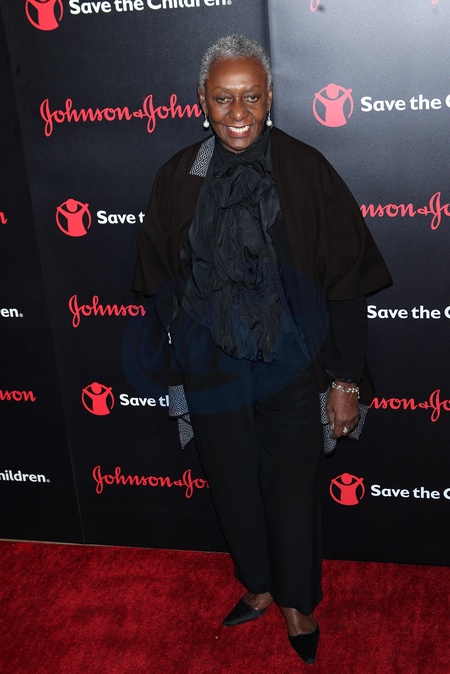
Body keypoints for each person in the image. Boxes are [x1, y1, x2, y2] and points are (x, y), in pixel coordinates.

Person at [133, 35, 391, 665]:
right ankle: (258, 583)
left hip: (291, 363)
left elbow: (346, 282)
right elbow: (159, 273)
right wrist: (184, 345)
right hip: (212, 368)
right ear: (202, 101)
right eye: (224, 99)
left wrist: (345, 379)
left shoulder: (305, 170)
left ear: (270, 96)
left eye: (251, 97)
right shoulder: (178, 176)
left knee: (292, 485)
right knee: (230, 482)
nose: (238, 113)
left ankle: (297, 600)